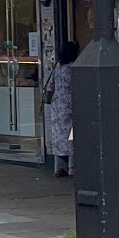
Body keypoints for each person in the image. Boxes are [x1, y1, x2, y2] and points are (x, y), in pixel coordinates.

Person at [44, 41, 79, 177]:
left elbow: (50, 86)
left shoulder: (58, 66)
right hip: (71, 105)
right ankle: (72, 167)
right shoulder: (74, 67)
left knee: (59, 137)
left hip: (57, 105)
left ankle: (58, 167)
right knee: (72, 136)